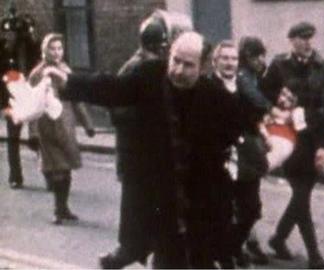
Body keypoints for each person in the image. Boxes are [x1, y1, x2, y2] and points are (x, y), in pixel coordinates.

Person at [44, 31, 240, 269]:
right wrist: (71, 82)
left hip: (197, 205)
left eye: (188, 65)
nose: (178, 70)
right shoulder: (149, 74)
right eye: (175, 60)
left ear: (203, 67)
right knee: (166, 258)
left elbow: (236, 137)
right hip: (159, 199)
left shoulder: (216, 98)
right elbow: (113, 88)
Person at [100, 10, 193, 269]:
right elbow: (118, 111)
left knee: (158, 222)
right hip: (137, 156)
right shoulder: (134, 69)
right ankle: (120, 258)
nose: (160, 51)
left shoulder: (162, 67)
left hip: (156, 157)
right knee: (145, 220)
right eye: (158, 47)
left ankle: (136, 255)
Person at [261, 21, 324, 269]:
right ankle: (314, 254)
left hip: (316, 136)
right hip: (289, 137)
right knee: (301, 193)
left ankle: (278, 238)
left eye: (310, 38)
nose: (307, 43)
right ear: (291, 40)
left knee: (302, 192)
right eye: (301, 38)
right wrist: (279, 110)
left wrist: (321, 147)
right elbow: (265, 95)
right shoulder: (279, 65)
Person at [27, 33, 95, 225]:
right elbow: (33, 105)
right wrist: (32, 132)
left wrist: (87, 124)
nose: (56, 53)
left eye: (59, 48)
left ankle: (64, 208)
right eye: (52, 48)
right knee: (58, 169)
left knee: (66, 168)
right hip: (47, 126)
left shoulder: (66, 70)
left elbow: (77, 100)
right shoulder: (37, 74)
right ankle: (58, 210)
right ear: (44, 50)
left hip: (66, 125)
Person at [235, 36, 271, 266]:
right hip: (242, 145)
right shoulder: (243, 77)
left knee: (248, 197)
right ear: (247, 57)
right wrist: (272, 110)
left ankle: (249, 241)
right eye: (257, 56)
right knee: (245, 199)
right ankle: (241, 244)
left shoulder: (254, 74)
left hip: (252, 143)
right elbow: (257, 101)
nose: (261, 60)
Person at [0, 8, 40, 189]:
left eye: (13, 33)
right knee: (13, 139)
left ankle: (47, 173)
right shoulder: (3, 53)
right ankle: (15, 176)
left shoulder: (30, 49)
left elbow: (38, 61)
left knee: (38, 137)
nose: (10, 37)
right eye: (7, 33)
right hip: (12, 99)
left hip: (31, 95)